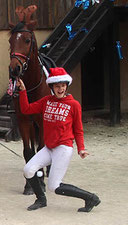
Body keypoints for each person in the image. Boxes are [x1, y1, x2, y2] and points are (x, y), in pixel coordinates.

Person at [17, 67, 100, 212]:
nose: (60, 88)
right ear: (52, 87)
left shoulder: (74, 105)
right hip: (49, 147)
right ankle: (41, 200)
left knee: (54, 186)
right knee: (28, 170)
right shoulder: (46, 101)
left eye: (63, 85)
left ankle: (90, 198)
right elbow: (26, 109)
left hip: (63, 148)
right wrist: (23, 91)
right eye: (57, 86)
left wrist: (81, 148)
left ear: (66, 86)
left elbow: (78, 130)